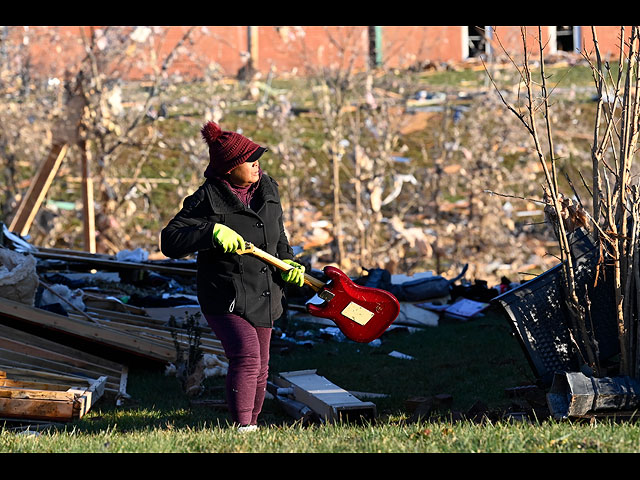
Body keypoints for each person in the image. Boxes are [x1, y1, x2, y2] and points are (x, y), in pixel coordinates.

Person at [160, 121, 305, 432]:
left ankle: (251, 427)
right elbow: (170, 240)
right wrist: (210, 231)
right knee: (248, 356)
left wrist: (289, 264)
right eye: (248, 160)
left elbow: (278, 236)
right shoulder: (207, 198)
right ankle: (242, 428)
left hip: (265, 290)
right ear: (228, 168)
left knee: (262, 365)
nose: (256, 165)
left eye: (258, 158)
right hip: (226, 295)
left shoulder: (268, 189)